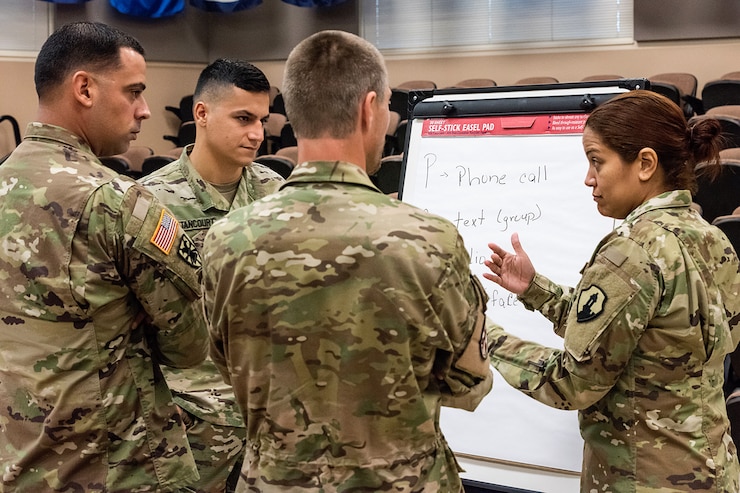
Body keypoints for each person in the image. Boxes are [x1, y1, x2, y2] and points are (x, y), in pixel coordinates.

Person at [201, 30, 493, 492]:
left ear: (292, 113)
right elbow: (468, 383)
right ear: (368, 108)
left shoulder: (225, 241)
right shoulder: (429, 239)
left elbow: (226, 365)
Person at [482, 90, 740, 492]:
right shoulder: (711, 238)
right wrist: (536, 290)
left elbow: (571, 382)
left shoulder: (632, 250)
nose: (589, 178)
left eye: (597, 161)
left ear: (645, 163)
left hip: (642, 480)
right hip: (712, 471)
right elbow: (633, 337)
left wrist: (482, 335)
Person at [0, 21, 208, 492]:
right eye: (134, 91)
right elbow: (190, 346)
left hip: (19, 459)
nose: (145, 110)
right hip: (116, 467)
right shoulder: (119, 202)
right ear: (85, 88)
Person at [140, 58, 284, 492]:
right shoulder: (151, 202)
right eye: (243, 118)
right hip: (194, 416)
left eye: (262, 119)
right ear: (201, 114)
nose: (258, 133)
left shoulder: (275, 192)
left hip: (271, 407)